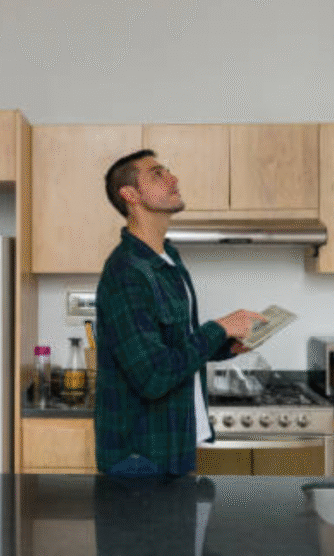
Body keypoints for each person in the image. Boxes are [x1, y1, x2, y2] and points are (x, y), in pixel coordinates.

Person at [93, 149, 267, 477]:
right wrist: (217, 328)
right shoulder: (126, 272)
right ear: (130, 195)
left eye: (169, 172)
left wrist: (226, 343)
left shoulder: (167, 259)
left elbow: (175, 346)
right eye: (157, 174)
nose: (173, 179)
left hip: (176, 445)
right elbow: (153, 376)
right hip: (140, 457)